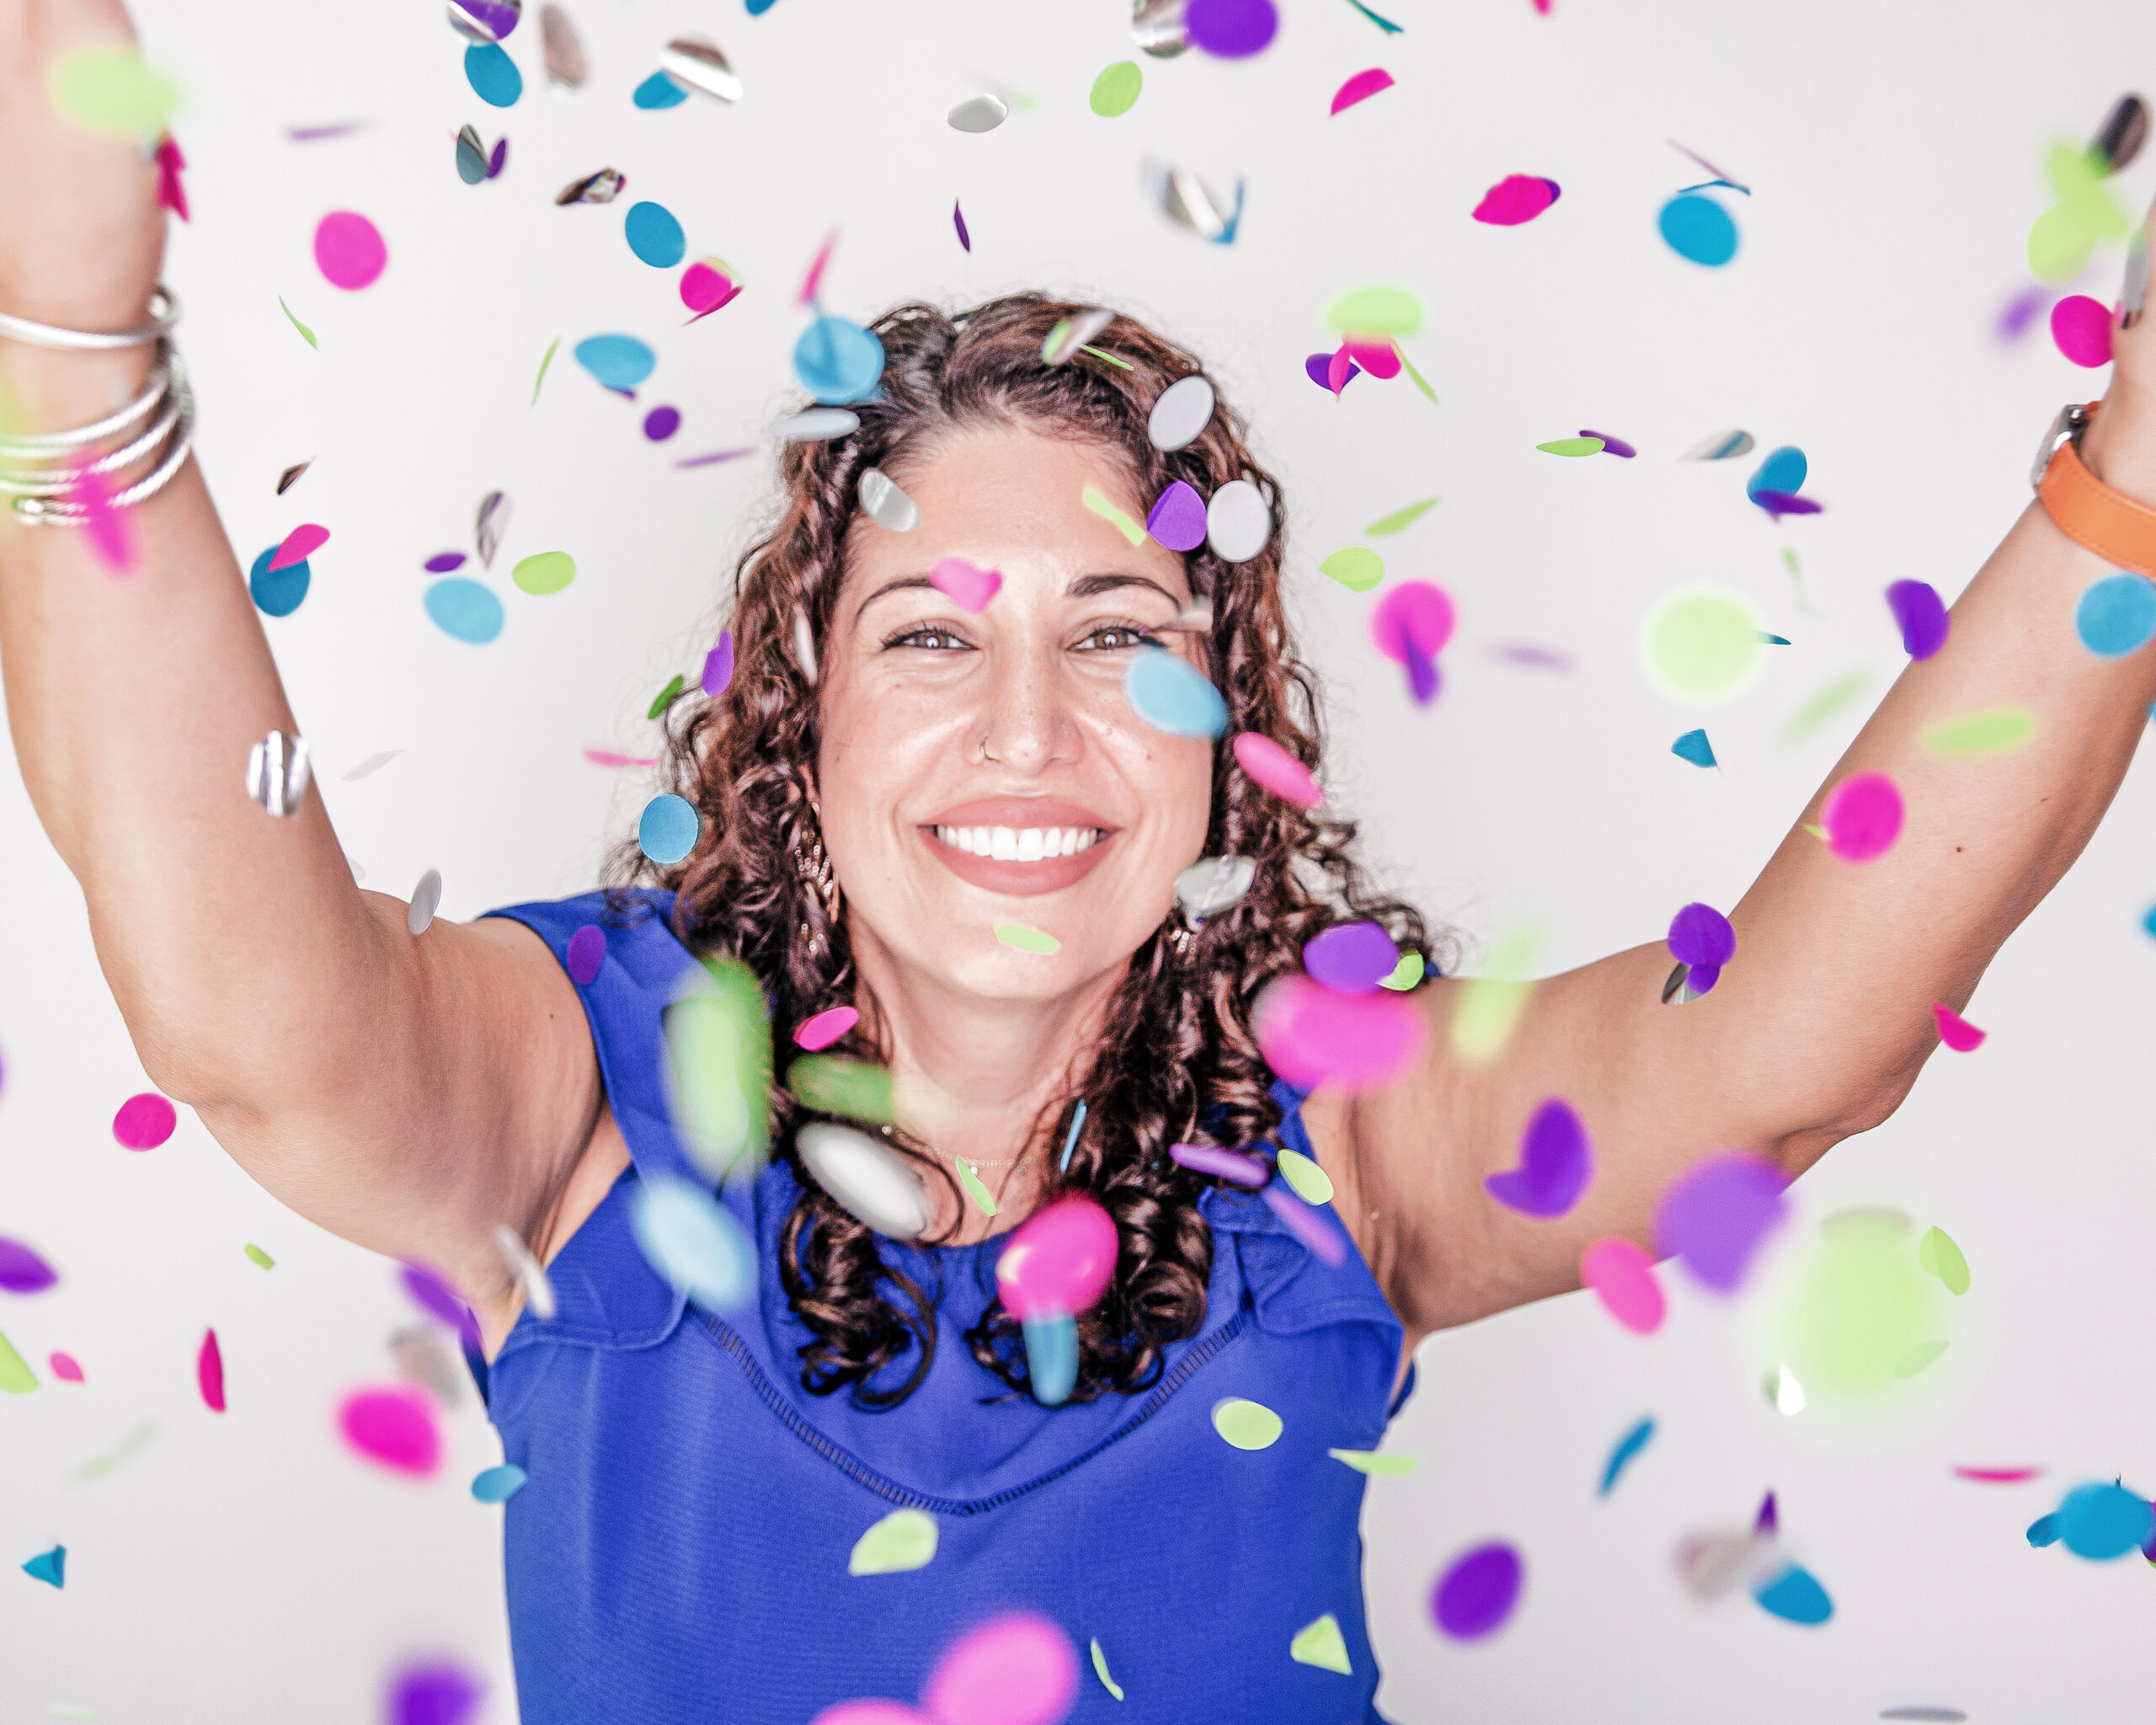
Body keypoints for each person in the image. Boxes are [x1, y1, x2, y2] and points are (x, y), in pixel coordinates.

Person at [8, 3, 2156, 1719]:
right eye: (930, 637)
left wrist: (2132, 471)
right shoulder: (585, 1085)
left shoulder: (1348, 1129)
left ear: (1230, 730)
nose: (1027, 731)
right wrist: (70, 340)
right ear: (804, 711)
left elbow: (1783, 1050)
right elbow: (251, 1023)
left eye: (1121, 636)